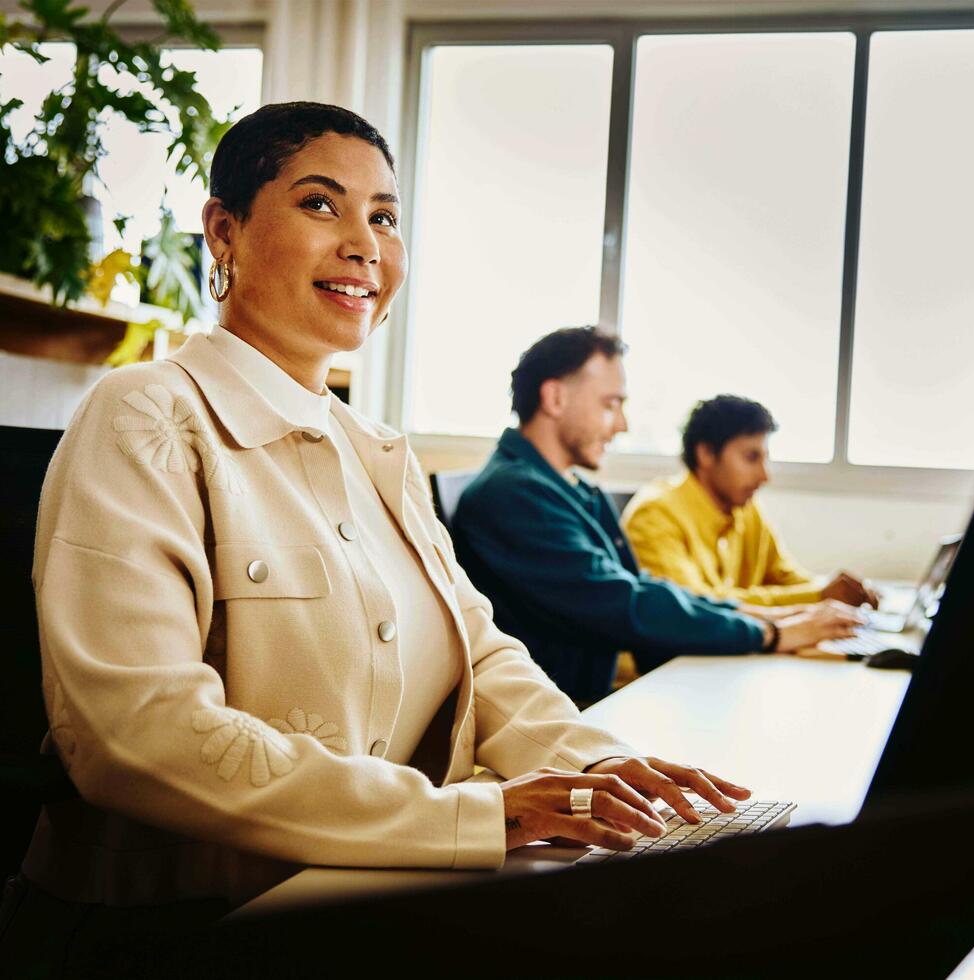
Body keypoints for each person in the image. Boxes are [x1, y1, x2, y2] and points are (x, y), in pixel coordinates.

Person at [0, 103, 753, 973]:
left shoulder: (379, 454)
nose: (365, 244)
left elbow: (484, 658)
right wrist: (477, 816)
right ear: (224, 230)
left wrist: (612, 780)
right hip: (168, 933)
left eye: (385, 217)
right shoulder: (144, 413)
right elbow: (135, 733)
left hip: (356, 900)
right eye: (321, 205)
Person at [450, 328, 861, 705]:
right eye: (611, 405)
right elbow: (624, 603)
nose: (623, 424)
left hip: (588, 704)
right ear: (555, 398)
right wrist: (772, 634)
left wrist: (770, 617)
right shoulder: (515, 493)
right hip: (562, 715)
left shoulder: (568, 489)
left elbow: (640, 586)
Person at [623, 395, 879, 609]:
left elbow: (785, 576)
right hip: (667, 666)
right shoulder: (655, 514)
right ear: (706, 454)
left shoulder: (745, 509)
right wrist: (817, 596)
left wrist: (835, 592)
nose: (764, 476)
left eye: (764, 459)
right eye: (751, 458)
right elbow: (698, 607)